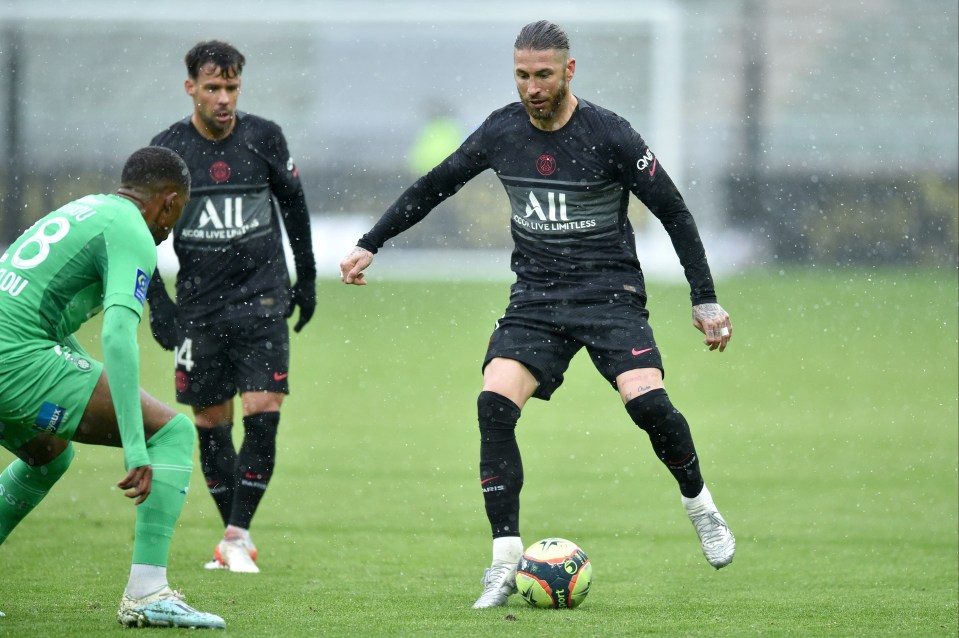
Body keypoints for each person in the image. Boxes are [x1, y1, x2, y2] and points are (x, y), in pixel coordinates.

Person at [339, 20, 736, 609]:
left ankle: (700, 505)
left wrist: (703, 298)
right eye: (523, 75)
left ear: (569, 71)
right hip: (537, 299)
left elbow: (675, 213)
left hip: (609, 294)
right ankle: (502, 561)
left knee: (649, 404)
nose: (532, 86)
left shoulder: (612, 135)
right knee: (493, 405)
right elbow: (435, 185)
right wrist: (372, 241)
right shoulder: (502, 130)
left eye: (544, 75)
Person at [0, 146, 225, 629]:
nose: (170, 231)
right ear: (167, 202)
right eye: (177, 215)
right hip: (13, 363)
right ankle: (147, 593)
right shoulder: (133, 231)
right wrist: (137, 445)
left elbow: (40, 313)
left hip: (12, 351)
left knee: (49, 455)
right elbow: (119, 337)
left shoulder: (87, 209)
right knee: (175, 433)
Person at [147, 40, 317, 574]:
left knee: (264, 410)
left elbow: (294, 205)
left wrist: (305, 278)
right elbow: (137, 233)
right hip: (199, 310)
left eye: (232, 88)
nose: (224, 99)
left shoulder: (264, 137)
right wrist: (158, 303)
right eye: (213, 88)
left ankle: (237, 535)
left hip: (262, 300)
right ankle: (234, 537)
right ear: (191, 87)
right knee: (211, 420)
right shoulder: (167, 153)